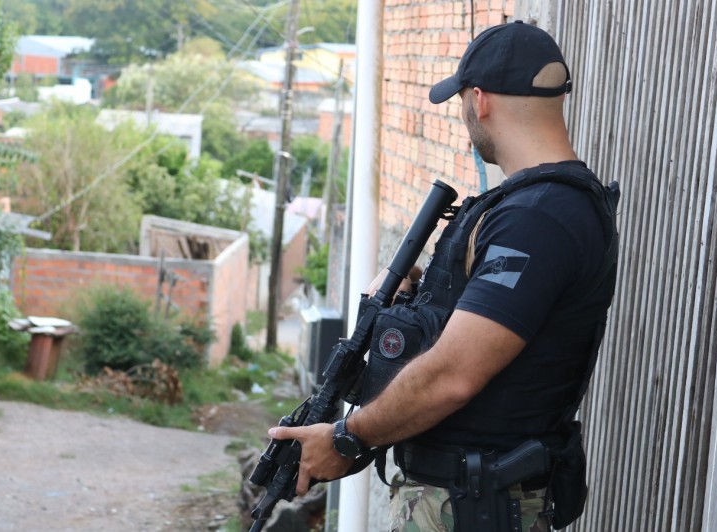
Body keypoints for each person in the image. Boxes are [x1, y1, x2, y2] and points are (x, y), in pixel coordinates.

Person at [266, 20, 620, 531]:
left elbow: (454, 374)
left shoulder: (537, 218)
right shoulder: (540, 207)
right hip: (466, 501)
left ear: (480, 101)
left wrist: (348, 437)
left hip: (472, 507)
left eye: (461, 104)